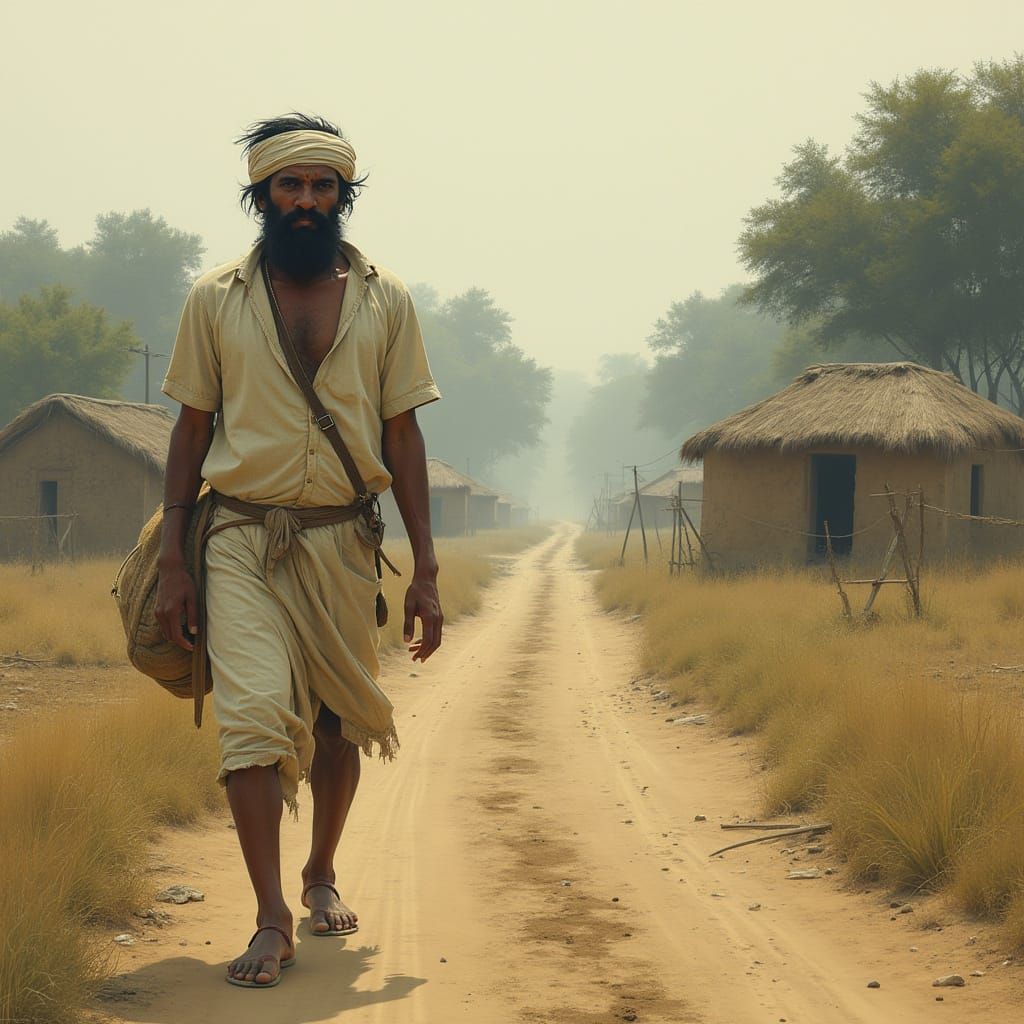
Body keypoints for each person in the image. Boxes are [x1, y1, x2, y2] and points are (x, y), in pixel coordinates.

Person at [155, 113, 443, 989]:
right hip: (240, 535)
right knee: (251, 718)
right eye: (291, 187)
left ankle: (320, 872)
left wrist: (426, 569)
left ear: (343, 195)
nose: (308, 201)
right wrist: (175, 558)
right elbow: (191, 429)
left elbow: (403, 436)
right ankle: (272, 917)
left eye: (324, 187)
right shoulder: (214, 299)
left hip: (343, 541)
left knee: (335, 718)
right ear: (262, 196)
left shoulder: (387, 298)